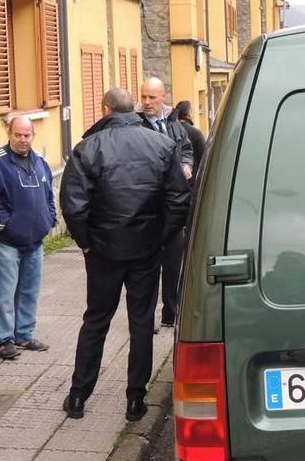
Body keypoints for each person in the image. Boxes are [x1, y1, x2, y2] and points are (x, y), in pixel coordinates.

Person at [61, 89, 190, 421]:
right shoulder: (161, 145)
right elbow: (178, 201)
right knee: (141, 322)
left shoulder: (88, 147)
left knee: (96, 320)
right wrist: (159, 239)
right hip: (145, 249)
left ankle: (78, 395)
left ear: (105, 109)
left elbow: (73, 206)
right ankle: (136, 399)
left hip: (103, 251)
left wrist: (87, 242)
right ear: (132, 108)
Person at [0, 117, 56, 360]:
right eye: (18, 135)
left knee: (29, 291)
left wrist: (49, 220)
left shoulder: (41, 163)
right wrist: (6, 226)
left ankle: (23, 334)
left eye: (27, 135)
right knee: (3, 293)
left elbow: (49, 196)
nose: (23, 140)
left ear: (33, 135)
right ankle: (4, 340)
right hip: (6, 242)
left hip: (34, 242)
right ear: (9, 134)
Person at [138, 78, 193, 327]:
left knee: (174, 266)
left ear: (163, 97)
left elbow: (187, 149)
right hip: (148, 208)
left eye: (152, 97)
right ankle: (145, 319)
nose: (147, 102)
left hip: (173, 207)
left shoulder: (173, 123)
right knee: (147, 269)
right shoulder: (136, 125)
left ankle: (171, 313)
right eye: (144, 97)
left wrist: (186, 165)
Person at [174, 100, 206, 190]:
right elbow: (204, 161)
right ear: (190, 113)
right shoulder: (196, 133)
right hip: (192, 184)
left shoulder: (170, 130)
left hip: (174, 184)